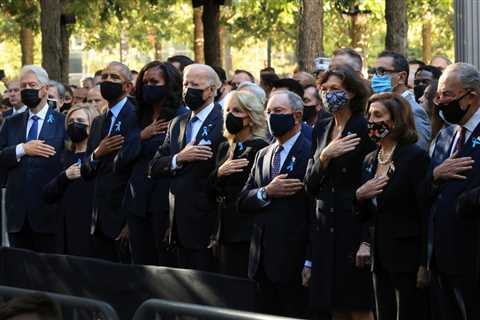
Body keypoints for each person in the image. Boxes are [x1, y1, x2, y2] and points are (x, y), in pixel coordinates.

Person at [303, 65, 375, 320]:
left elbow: (372, 184)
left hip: (353, 226)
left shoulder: (364, 127)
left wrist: (366, 240)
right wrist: (324, 156)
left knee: (358, 306)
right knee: (334, 306)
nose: (328, 94)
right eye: (324, 89)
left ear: (352, 93)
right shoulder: (321, 128)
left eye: (335, 89)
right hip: (325, 229)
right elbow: (309, 184)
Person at [356, 93, 430, 320]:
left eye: (378, 115)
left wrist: (423, 263)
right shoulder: (370, 159)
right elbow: (365, 213)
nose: (371, 120)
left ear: (396, 120)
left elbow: (424, 211)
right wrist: (359, 196)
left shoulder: (414, 157)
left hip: (407, 259)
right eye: (369, 115)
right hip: (378, 259)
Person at [238, 90, 310, 318]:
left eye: (278, 112)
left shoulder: (311, 151)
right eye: (268, 112)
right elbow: (242, 200)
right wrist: (266, 192)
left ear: (297, 116)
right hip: (261, 261)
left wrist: (310, 260)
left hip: (293, 260)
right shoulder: (263, 154)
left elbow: (313, 212)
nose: (272, 117)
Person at [149, 63, 224, 271]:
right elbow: (154, 166)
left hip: (207, 223)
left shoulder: (224, 121)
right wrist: (179, 158)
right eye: (185, 84)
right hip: (176, 223)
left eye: (194, 84)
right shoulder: (177, 123)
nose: (187, 89)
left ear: (210, 90)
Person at [426, 62, 480, 320]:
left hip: (473, 254)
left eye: (448, 94)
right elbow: (424, 190)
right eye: (438, 95)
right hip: (441, 257)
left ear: (471, 96)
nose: (441, 101)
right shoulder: (444, 137)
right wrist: (435, 176)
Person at [123, 61, 187, 266]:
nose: (148, 86)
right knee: (140, 261)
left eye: (154, 81)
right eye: (145, 81)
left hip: (164, 202)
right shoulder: (136, 115)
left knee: (164, 264)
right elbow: (122, 157)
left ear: (169, 85)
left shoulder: (182, 116)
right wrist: (142, 135)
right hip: (137, 200)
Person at [0, 65, 65, 253]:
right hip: (17, 215)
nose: (27, 89)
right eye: (23, 86)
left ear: (45, 89)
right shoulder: (11, 123)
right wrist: (22, 149)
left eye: (32, 85)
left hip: (49, 213)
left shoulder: (61, 122)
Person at [81, 61, 141, 262]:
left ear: (128, 86)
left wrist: (130, 223)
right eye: (105, 77)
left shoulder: (137, 116)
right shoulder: (99, 121)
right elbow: (87, 170)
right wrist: (98, 153)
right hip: (99, 219)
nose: (108, 81)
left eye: (114, 78)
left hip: (125, 220)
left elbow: (137, 171)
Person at [207, 90, 269, 277]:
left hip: (245, 231)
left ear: (250, 117)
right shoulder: (225, 146)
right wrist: (219, 172)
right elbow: (210, 189)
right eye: (227, 110)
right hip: (223, 230)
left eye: (237, 111)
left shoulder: (260, 148)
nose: (230, 115)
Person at [43, 104, 99, 257]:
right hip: (65, 228)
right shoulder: (62, 156)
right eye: (71, 121)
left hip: (92, 229)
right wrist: (65, 176)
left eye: (80, 120)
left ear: (92, 124)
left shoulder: (99, 156)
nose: (75, 124)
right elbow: (47, 193)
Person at [372, 51, 431, 150]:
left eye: (382, 72)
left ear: (402, 77)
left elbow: (420, 155)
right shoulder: (377, 107)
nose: (375, 77)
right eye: (374, 72)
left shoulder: (413, 111)